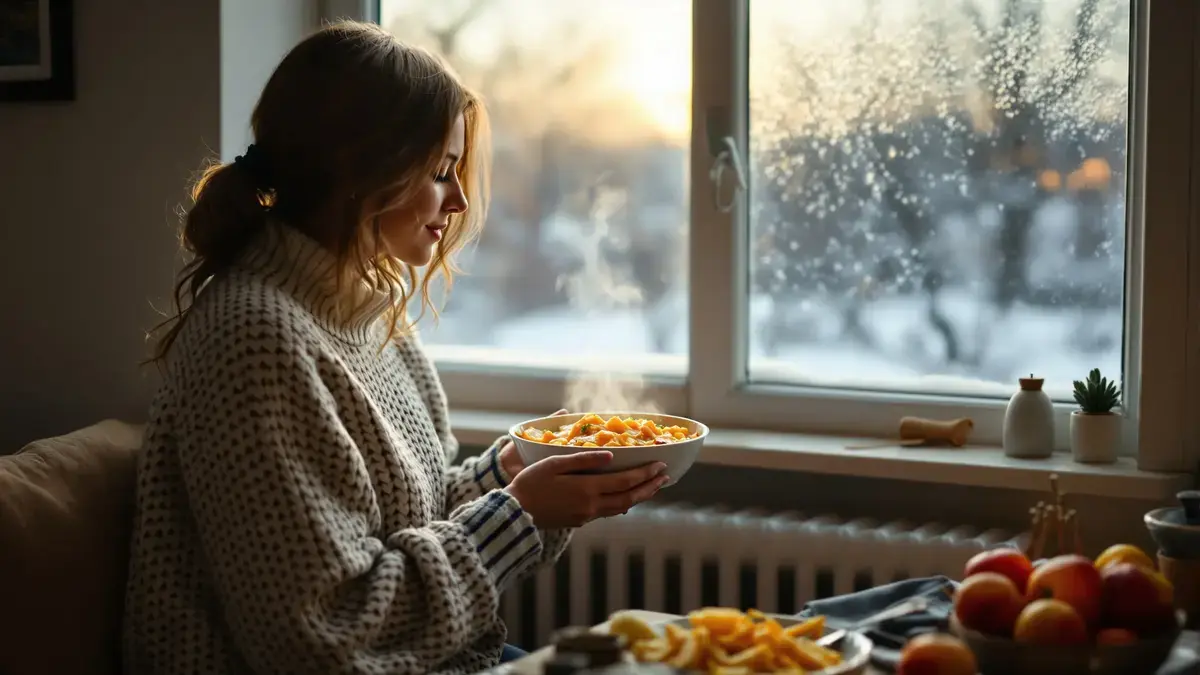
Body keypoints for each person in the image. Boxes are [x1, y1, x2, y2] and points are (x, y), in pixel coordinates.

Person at [123, 21, 669, 675]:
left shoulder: (368, 317)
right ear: (365, 169)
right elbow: (322, 634)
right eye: (441, 172)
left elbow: (415, 518)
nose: (460, 198)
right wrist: (518, 512)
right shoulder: (255, 342)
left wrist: (514, 472)